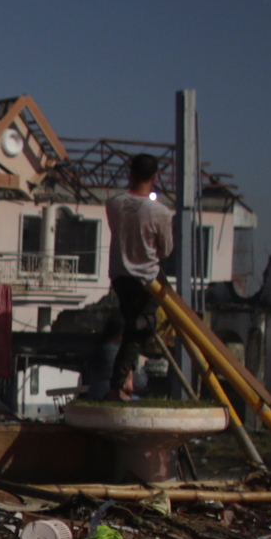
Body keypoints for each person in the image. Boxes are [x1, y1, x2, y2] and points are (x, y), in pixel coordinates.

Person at [101, 154, 174, 400]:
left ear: (129, 174)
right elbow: (165, 250)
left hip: (120, 276)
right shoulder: (160, 212)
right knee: (141, 328)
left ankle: (125, 380)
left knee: (134, 326)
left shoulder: (113, 204)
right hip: (147, 280)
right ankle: (121, 382)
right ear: (155, 177)